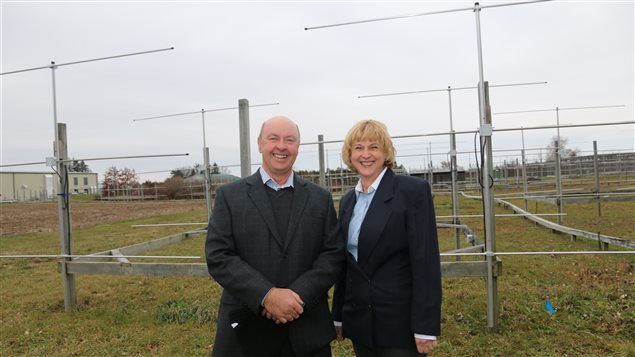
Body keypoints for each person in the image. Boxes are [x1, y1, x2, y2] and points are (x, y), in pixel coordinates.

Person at [205, 115, 345, 357]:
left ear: (298, 147)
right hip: (247, 331)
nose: (281, 146)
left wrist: (296, 297)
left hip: (306, 332)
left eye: (289, 140)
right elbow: (219, 256)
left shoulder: (319, 198)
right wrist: (266, 296)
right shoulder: (230, 195)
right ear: (260, 144)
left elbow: (332, 254)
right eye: (273, 138)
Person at [332, 119, 442, 356]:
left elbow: (426, 261)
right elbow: (346, 265)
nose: (366, 154)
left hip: (398, 324)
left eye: (374, 147)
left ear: (386, 152)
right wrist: (339, 316)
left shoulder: (411, 191)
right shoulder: (348, 201)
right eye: (358, 147)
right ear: (350, 155)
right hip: (360, 320)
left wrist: (425, 325)